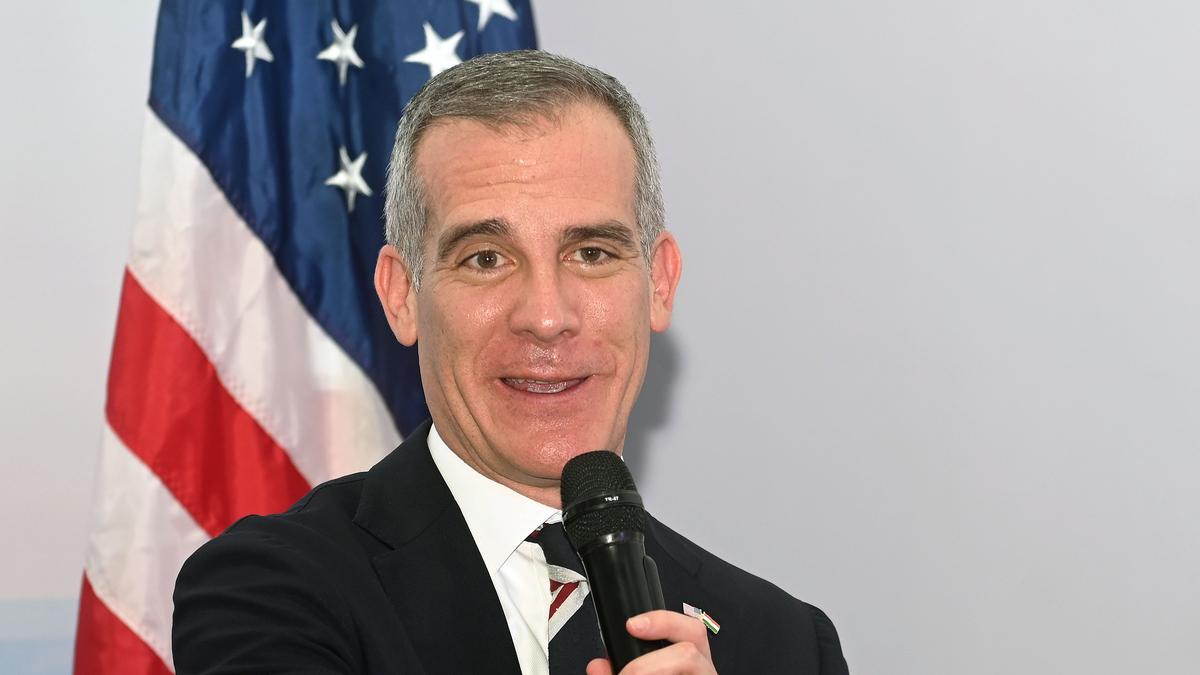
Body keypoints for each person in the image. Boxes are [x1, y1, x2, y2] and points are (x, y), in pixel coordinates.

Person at [173, 50, 849, 675]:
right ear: (403, 296)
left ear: (660, 283)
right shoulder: (271, 592)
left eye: (592, 253)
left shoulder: (784, 643)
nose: (546, 316)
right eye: (486, 258)